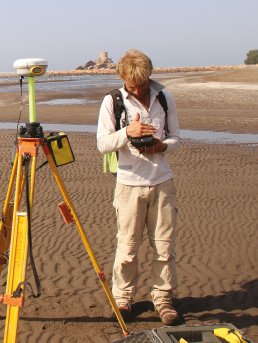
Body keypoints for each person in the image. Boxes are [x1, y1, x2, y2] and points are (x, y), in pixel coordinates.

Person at [96, 49, 181, 325]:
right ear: (122, 78)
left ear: (149, 76)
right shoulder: (113, 102)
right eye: (131, 84)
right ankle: (123, 299)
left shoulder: (165, 99)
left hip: (162, 182)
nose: (136, 89)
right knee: (128, 247)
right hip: (128, 185)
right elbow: (102, 144)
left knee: (163, 247)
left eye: (141, 84)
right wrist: (127, 133)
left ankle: (163, 300)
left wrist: (162, 145)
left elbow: (176, 137)